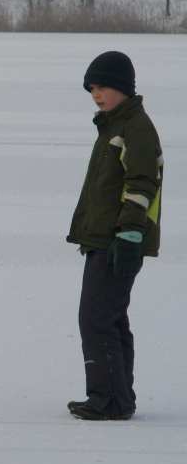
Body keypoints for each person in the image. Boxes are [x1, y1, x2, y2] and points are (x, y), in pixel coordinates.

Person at [66, 51, 163, 421]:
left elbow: (141, 185)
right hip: (104, 238)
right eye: (92, 88)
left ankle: (106, 399)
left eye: (103, 86)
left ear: (123, 87)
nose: (96, 94)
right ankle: (118, 399)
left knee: (96, 318)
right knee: (110, 317)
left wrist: (130, 235)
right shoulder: (115, 126)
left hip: (118, 240)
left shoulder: (134, 128)